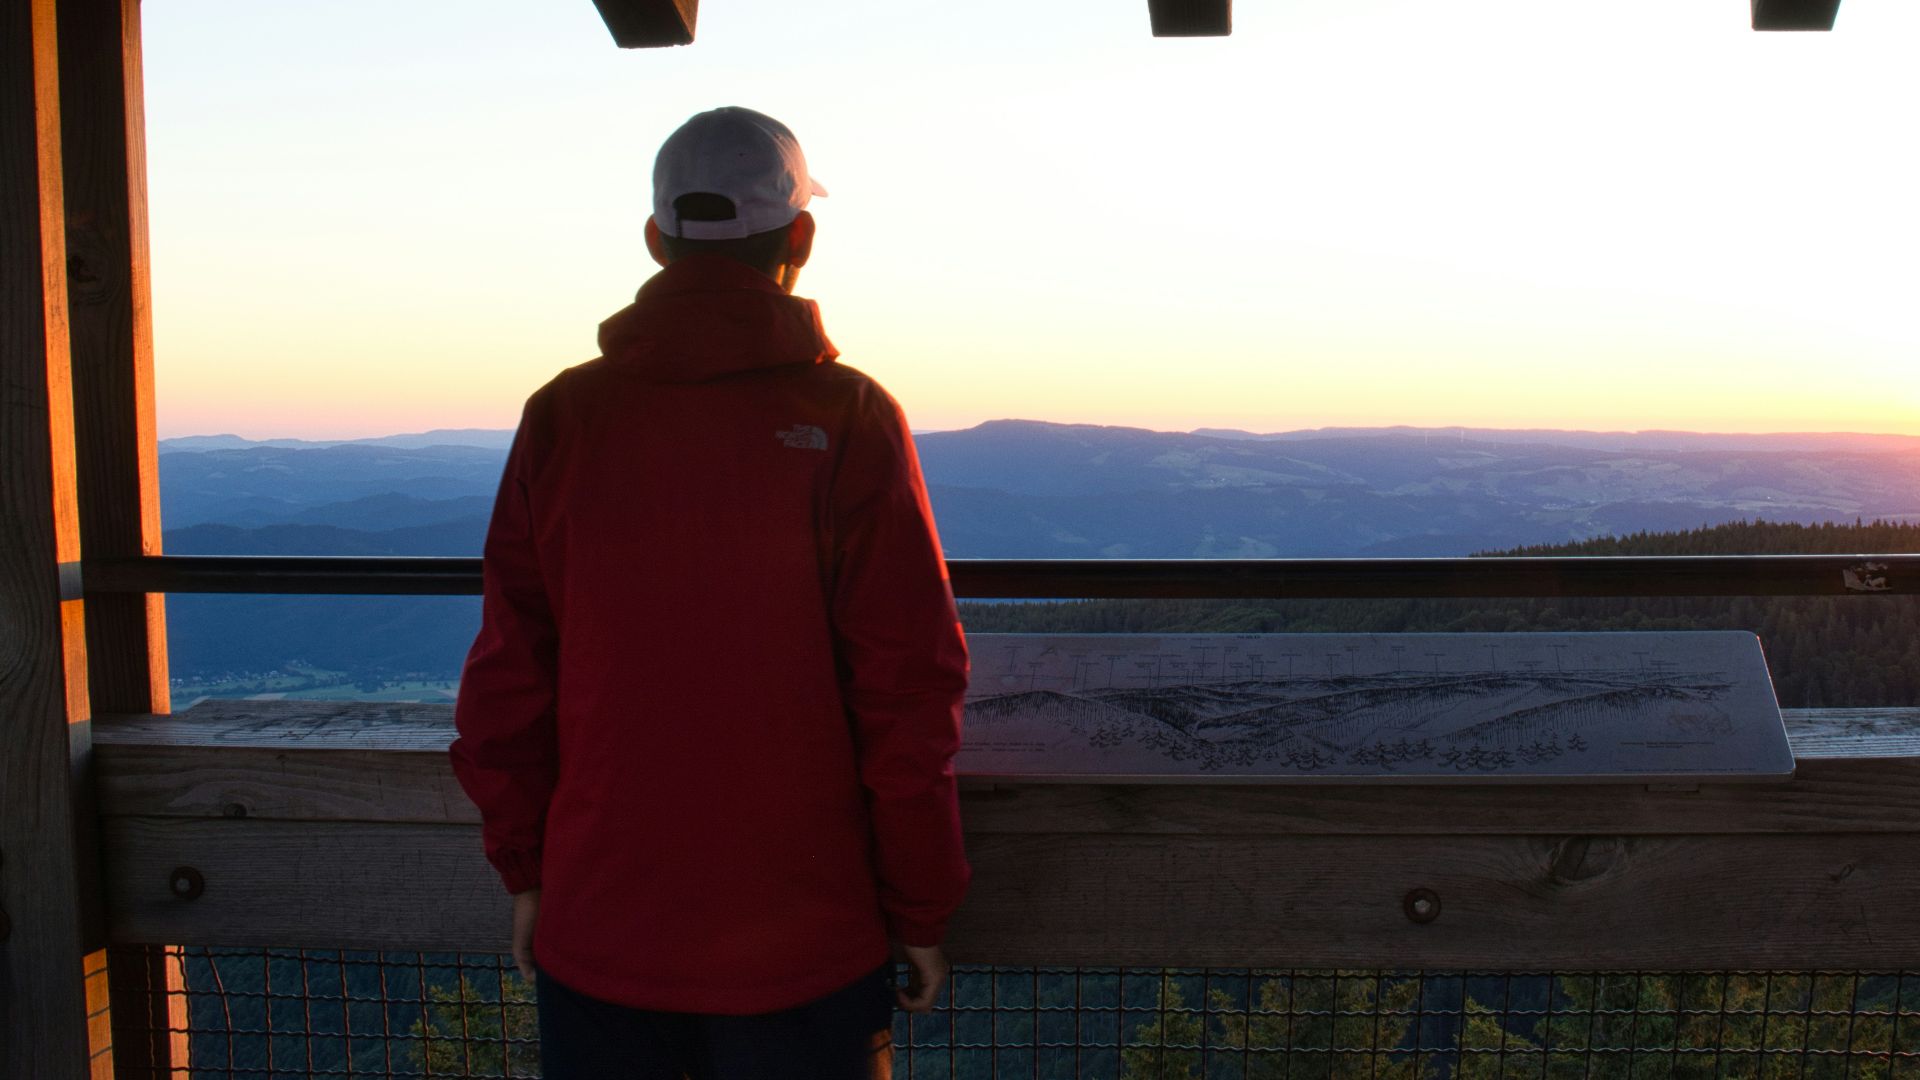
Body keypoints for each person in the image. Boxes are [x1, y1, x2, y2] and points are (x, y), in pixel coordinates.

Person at [449, 106, 972, 1079]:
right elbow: (908, 688)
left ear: (657, 239)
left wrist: (526, 872)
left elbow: (509, 675)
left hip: (599, 929)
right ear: (800, 239)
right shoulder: (851, 417)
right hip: (809, 946)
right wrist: (920, 905)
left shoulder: (563, 417)